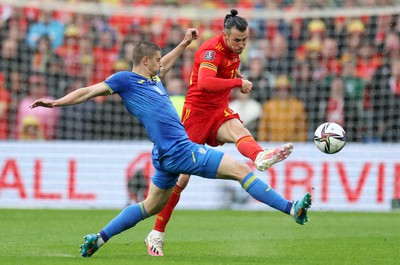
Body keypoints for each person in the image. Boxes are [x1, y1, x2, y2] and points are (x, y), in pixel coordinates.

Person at [29, 28, 312, 258]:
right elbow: (89, 91)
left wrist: (184, 44)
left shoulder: (152, 79)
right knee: (241, 170)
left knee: (150, 206)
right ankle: (291, 208)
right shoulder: (125, 80)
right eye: (156, 60)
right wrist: (55, 103)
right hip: (180, 151)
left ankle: (99, 238)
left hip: (163, 154)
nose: (160, 63)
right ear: (144, 61)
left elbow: (167, 63)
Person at [145, 9, 295, 256]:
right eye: (237, 40)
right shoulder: (210, 51)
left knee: (239, 129)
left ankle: (259, 156)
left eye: (245, 40)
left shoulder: (234, 52)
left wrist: (236, 76)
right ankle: (156, 234)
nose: (242, 44)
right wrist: (237, 82)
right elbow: (204, 82)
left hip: (219, 110)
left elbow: (224, 75)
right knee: (181, 179)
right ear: (225, 35)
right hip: (197, 114)